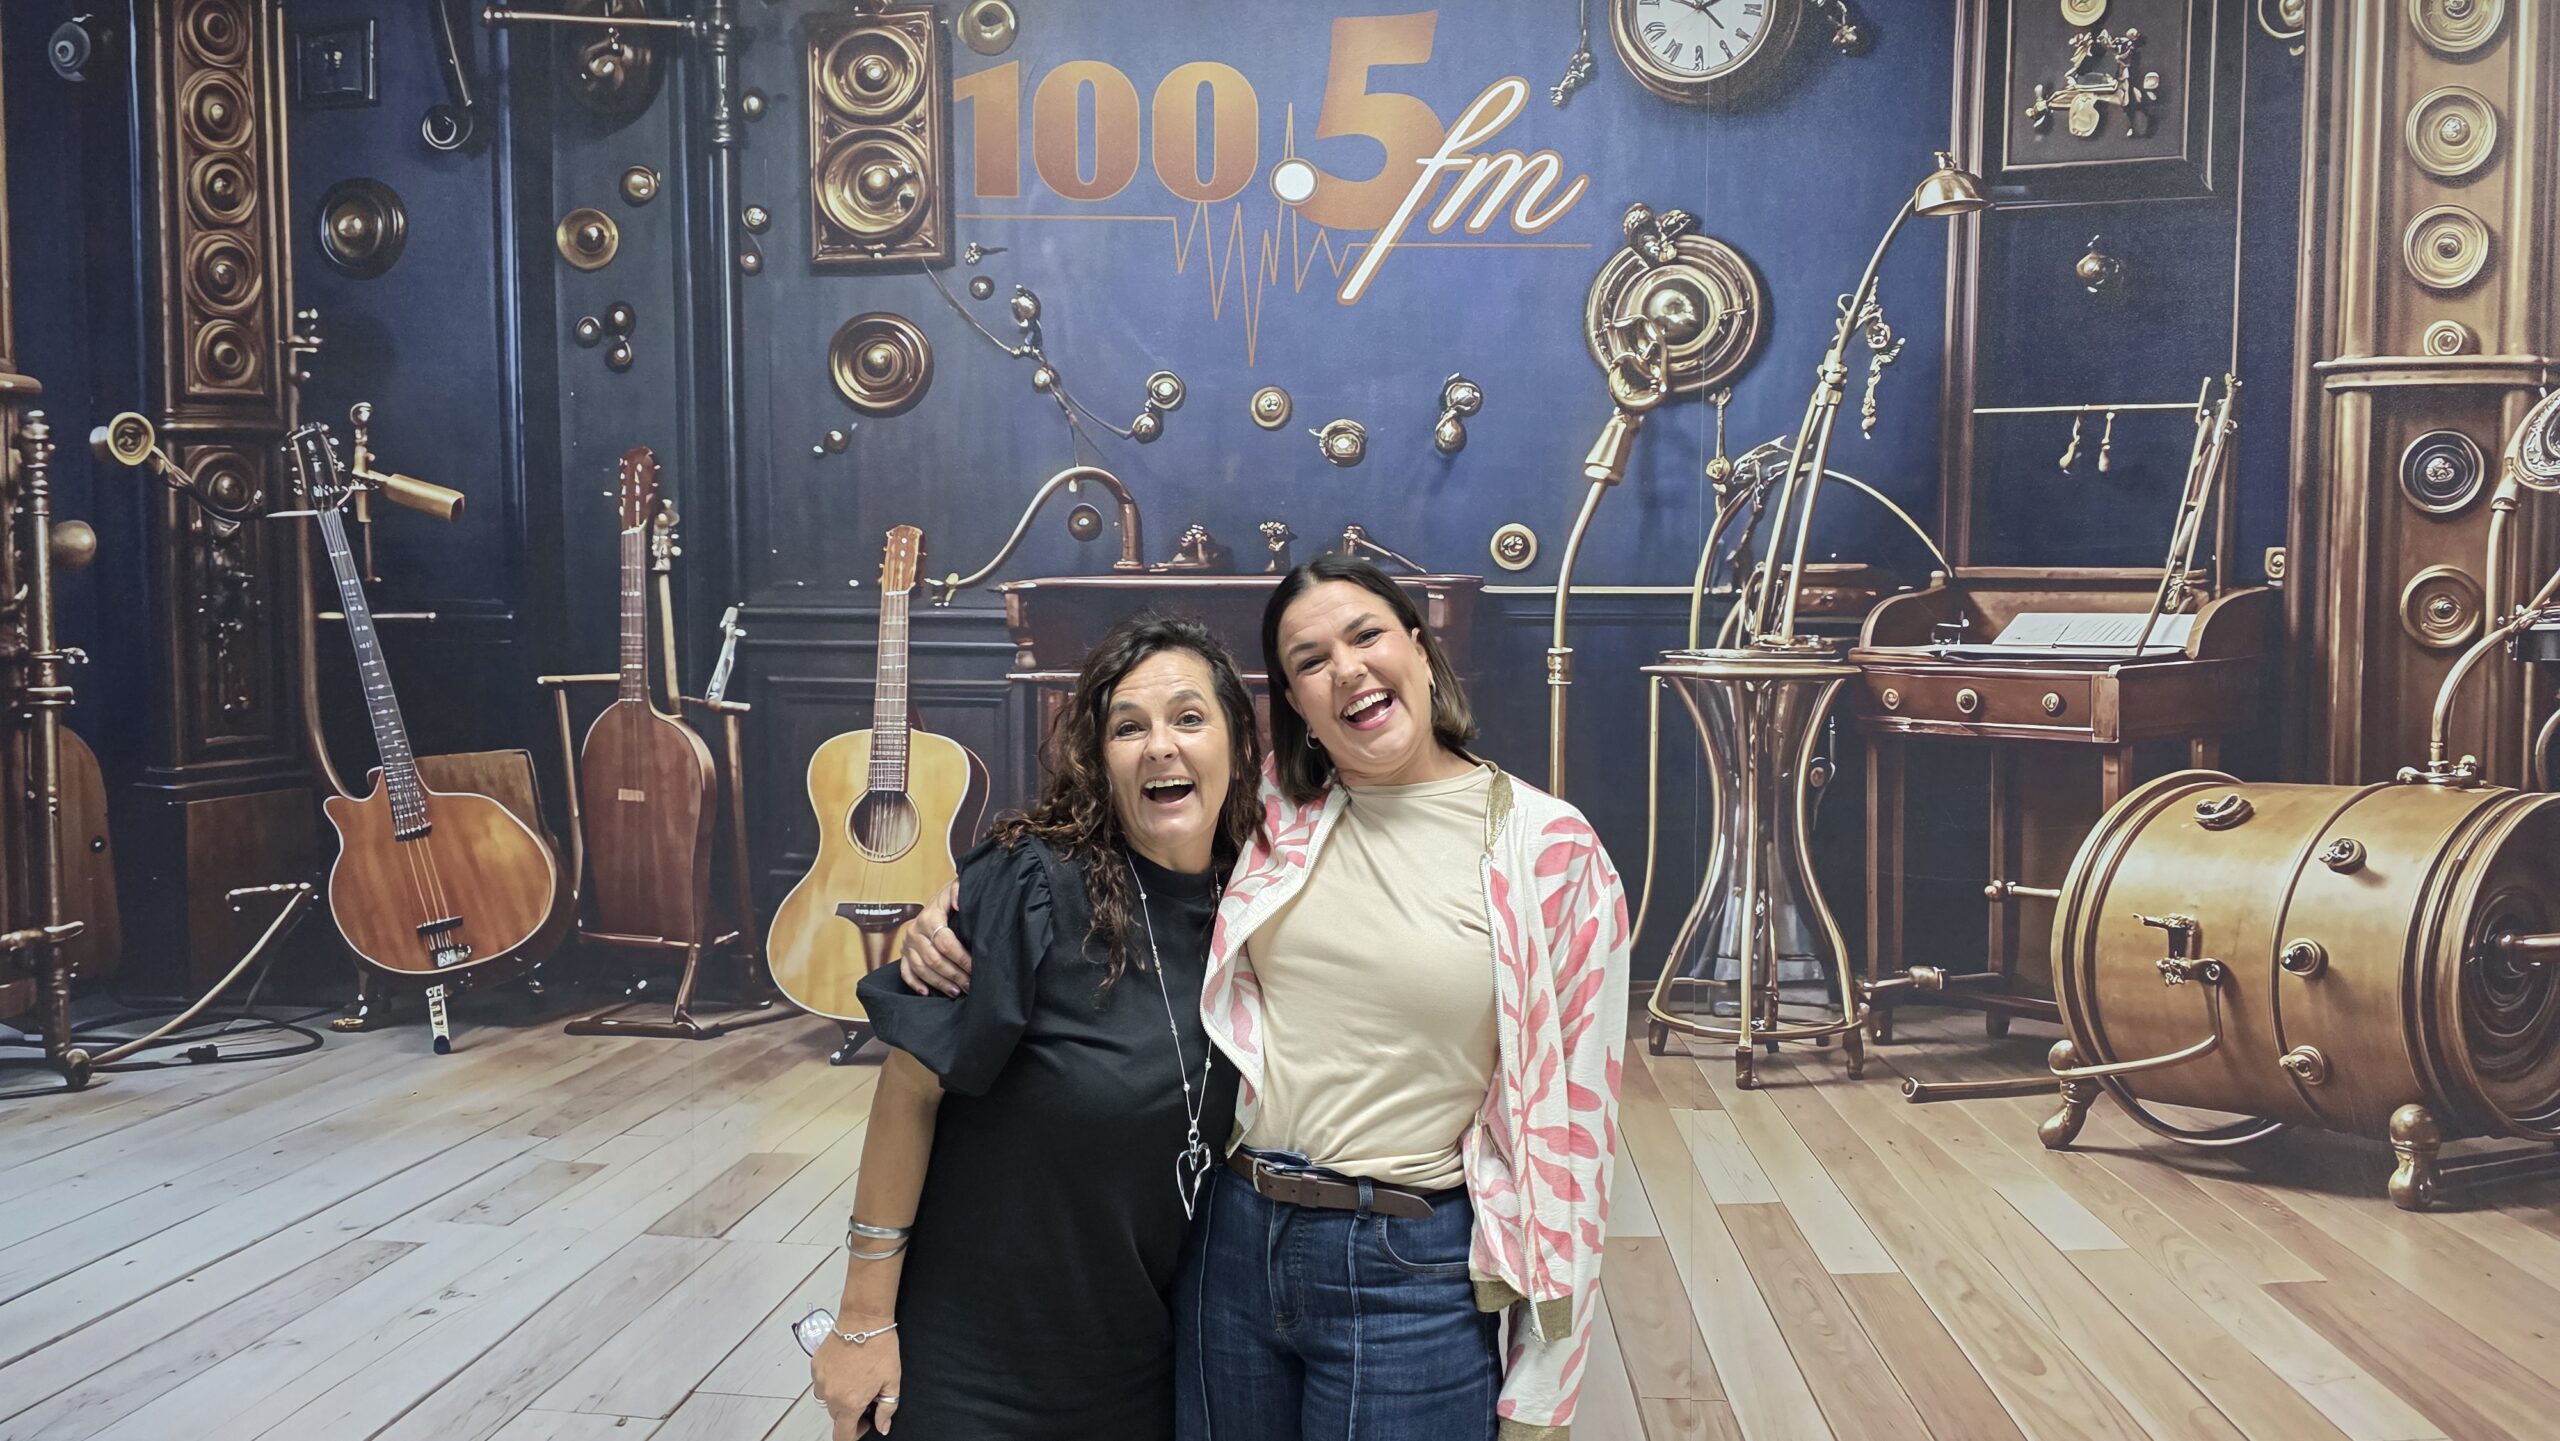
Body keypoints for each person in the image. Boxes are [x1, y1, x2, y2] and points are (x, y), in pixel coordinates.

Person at [901, 555, 1630, 1441]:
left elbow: (1574, 1137)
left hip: (1407, 1263)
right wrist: (959, 903)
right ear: (1294, 703)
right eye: (1311, 660)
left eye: (1366, 635)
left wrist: (1545, 1388)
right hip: (1231, 1245)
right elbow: (1111, 838)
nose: (1347, 669)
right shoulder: (1272, 815)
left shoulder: (1549, 851)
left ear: (1420, 648)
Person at [809, 613, 1263, 1440]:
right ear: (1100, 757)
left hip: (1141, 1367)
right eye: (1129, 727)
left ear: (1236, 741)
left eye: (1190, 717)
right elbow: (909, 1088)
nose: (1161, 746)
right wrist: (863, 1318)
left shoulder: (1262, 900)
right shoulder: (1034, 887)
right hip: (978, 1370)